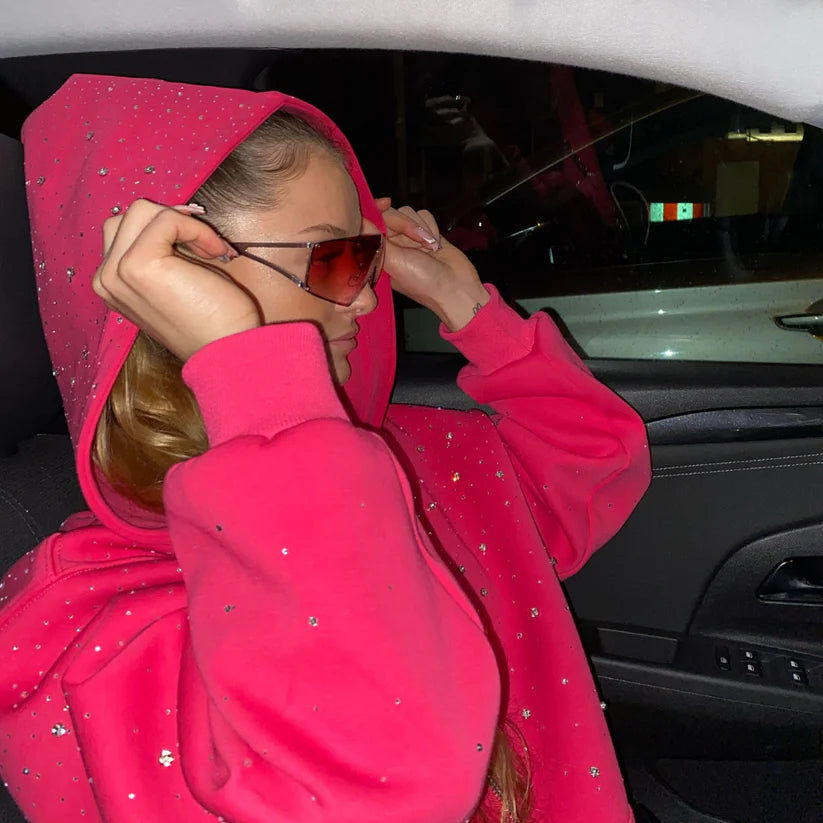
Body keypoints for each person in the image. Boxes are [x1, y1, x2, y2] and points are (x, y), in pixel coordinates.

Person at [0, 74, 650, 823]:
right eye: (332, 257)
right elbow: (381, 777)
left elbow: (596, 465)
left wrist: (464, 303)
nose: (369, 297)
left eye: (366, 255)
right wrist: (247, 372)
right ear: (181, 273)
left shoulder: (400, 456)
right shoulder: (94, 631)